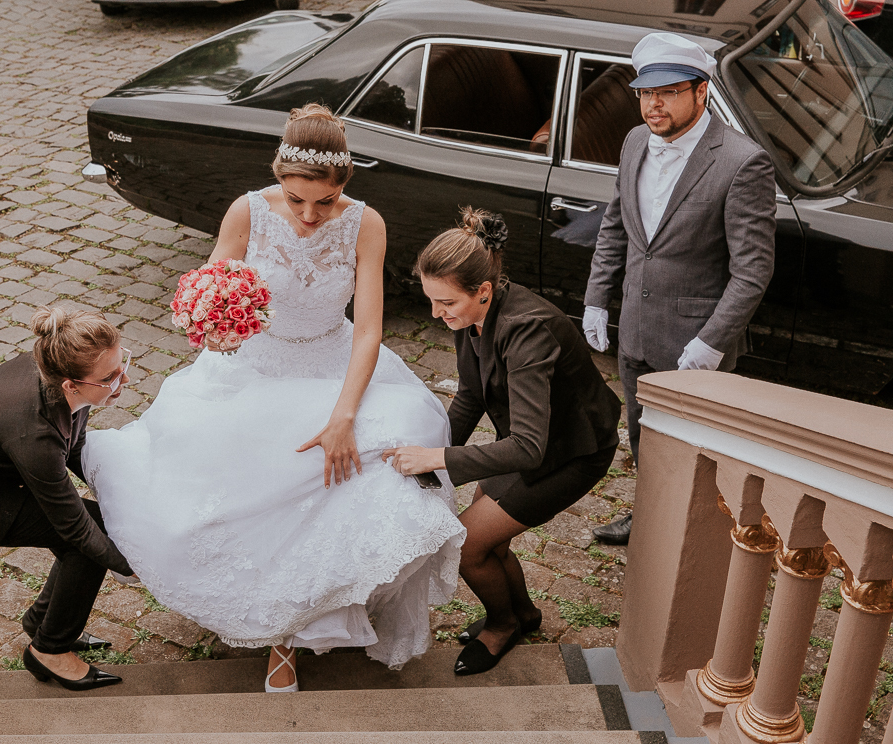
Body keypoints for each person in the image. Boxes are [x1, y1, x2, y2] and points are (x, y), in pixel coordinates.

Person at [83, 104, 467, 692]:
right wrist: (212, 325)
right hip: (251, 369)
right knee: (254, 485)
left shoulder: (367, 224)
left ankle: (326, 610)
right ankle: (277, 633)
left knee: (370, 464)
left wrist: (343, 416)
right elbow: (205, 292)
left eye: (325, 201)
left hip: (335, 361)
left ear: (345, 186)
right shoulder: (246, 212)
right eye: (295, 200)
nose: (311, 215)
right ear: (278, 183)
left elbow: (368, 331)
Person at [382, 209, 621, 675]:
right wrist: (434, 454)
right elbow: (471, 396)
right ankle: (525, 615)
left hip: (573, 450)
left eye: (445, 302)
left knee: (468, 545)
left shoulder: (527, 330)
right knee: (488, 540)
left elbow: (530, 449)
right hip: (530, 440)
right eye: (432, 300)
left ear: (484, 291)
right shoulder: (469, 316)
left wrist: (439, 457)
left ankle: (504, 624)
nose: (436, 313)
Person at [582, 32, 776, 545]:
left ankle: (693, 536)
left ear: (701, 91)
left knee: (698, 450)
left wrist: (711, 342)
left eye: (667, 92)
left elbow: (752, 270)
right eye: (646, 93)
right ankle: (648, 515)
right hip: (636, 332)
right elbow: (616, 226)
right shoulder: (631, 142)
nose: (654, 104)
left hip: (694, 343)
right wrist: (597, 300)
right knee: (642, 433)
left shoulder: (741, 163)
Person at [0, 306, 133, 691]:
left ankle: (43, 623)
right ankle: (48, 649)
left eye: (122, 365)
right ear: (71, 384)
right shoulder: (35, 431)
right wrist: (130, 564)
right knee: (89, 539)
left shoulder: (57, 364)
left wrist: (118, 492)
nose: (124, 381)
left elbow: (72, 444)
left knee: (94, 529)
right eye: (110, 378)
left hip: (0, 471)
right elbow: (71, 524)